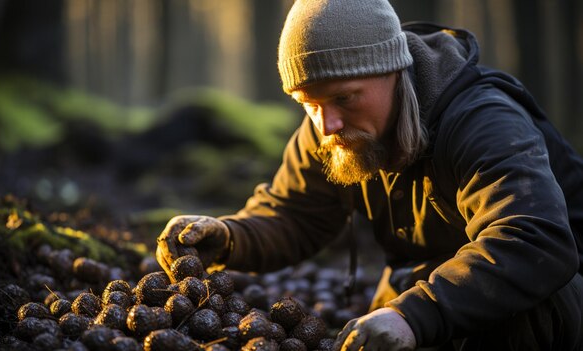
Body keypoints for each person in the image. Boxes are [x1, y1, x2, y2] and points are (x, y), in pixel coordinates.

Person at [156, 0, 583, 349]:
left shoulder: (483, 121)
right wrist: (228, 237)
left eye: (345, 97)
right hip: (430, 288)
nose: (327, 126)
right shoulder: (332, 128)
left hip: (551, 298)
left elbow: (534, 240)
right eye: (308, 103)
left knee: (521, 308)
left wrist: (413, 316)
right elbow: (293, 214)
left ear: (393, 69)